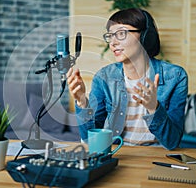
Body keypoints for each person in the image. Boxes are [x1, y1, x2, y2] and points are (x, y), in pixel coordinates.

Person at [67, 8, 188, 150]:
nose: (113, 43)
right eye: (110, 36)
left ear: (145, 36)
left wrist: (153, 108)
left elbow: (172, 142)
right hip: (118, 155)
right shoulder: (104, 77)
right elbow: (89, 139)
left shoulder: (175, 76)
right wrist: (82, 102)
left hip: (159, 157)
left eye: (121, 34)